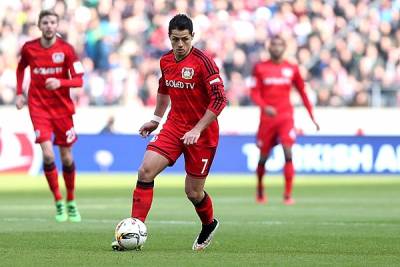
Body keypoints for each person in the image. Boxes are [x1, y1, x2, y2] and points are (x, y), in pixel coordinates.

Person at [112, 14, 227, 251]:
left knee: (193, 192)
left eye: (185, 39)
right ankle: (135, 230)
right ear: (169, 38)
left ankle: (209, 224)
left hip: (202, 134)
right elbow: (164, 88)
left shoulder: (204, 63)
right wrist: (155, 119)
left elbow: (219, 100)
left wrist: (197, 129)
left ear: (193, 37)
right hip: (174, 127)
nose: (180, 45)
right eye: (175, 40)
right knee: (145, 171)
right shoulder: (165, 61)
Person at [16, 10, 84, 222]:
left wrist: (60, 82)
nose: (49, 26)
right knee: (47, 154)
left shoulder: (66, 50)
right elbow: (20, 69)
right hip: (38, 109)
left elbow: (79, 80)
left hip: (62, 110)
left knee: (66, 157)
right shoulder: (29, 48)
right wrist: (20, 93)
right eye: (45, 22)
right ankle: (58, 201)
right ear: (39, 25)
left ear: (57, 25)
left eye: (52, 22)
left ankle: (71, 200)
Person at [250, 36, 319, 205]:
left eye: (280, 45)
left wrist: (312, 117)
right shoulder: (259, 68)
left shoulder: (292, 68)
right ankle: (260, 190)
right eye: (274, 44)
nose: (276, 48)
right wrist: (264, 106)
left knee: (288, 153)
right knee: (263, 158)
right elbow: (253, 93)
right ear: (269, 47)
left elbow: (303, 92)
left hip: (286, 117)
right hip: (267, 119)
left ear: (285, 47)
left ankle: (287, 195)